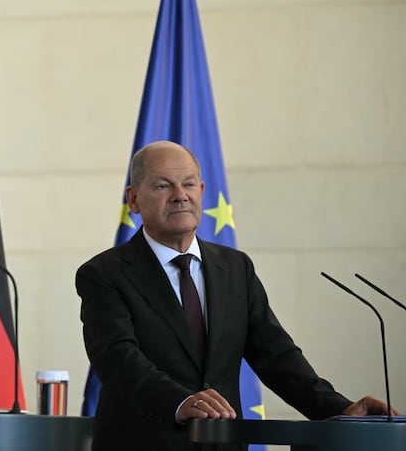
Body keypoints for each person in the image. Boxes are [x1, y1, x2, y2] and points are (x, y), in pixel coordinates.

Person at [76, 140, 397, 451]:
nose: (180, 196)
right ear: (133, 199)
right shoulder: (104, 274)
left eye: (189, 184)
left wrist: (340, 411)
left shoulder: (235, 267)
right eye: (163, 186)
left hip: (223, 442)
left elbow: (276, 355)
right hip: (143, 444)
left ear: (201, 192)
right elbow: (117, 359)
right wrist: (179, 401)